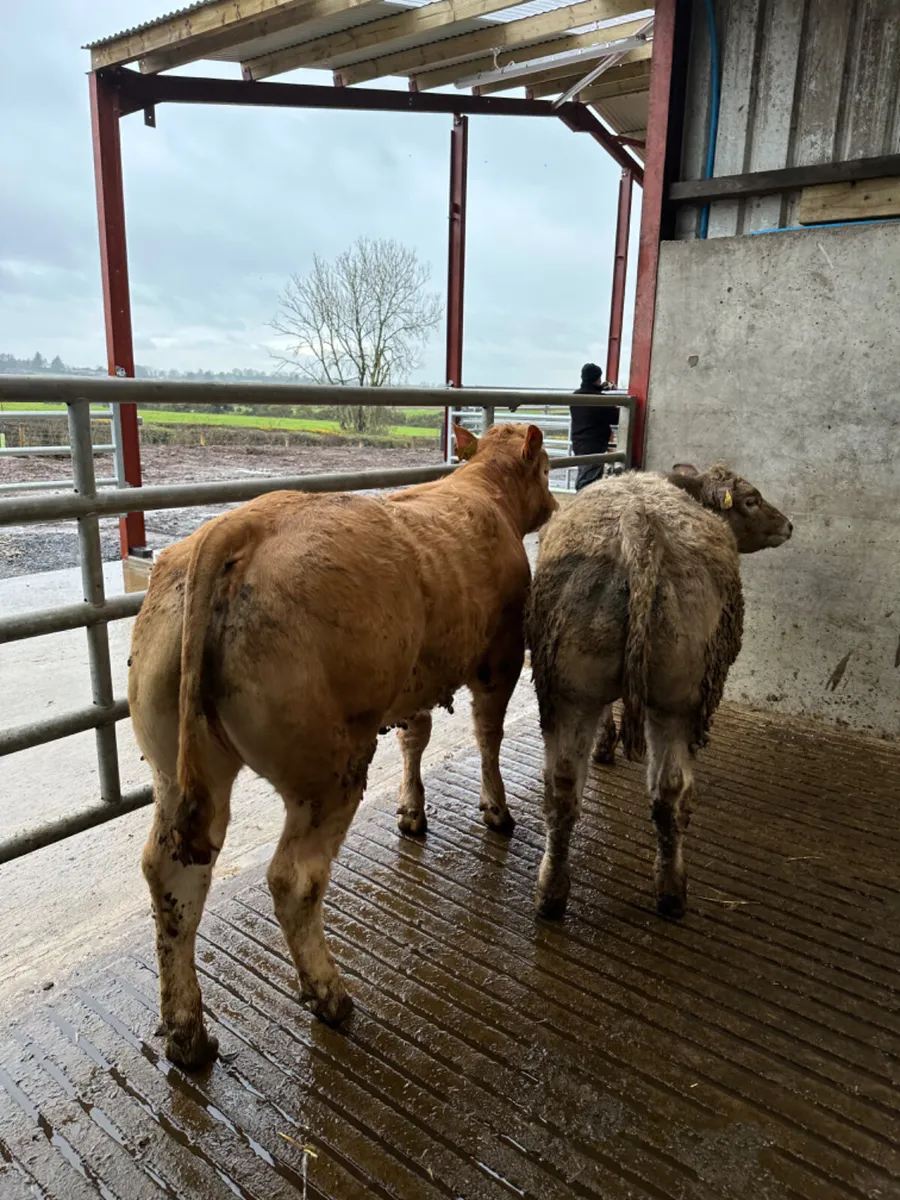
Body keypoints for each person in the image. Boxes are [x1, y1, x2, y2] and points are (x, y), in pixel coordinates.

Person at [570, 362, 619, 491]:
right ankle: (582, 500)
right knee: (589, 482)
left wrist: (601, 389)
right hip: (594, 446)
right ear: (598, 379)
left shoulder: (575, 396)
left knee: (584, 475)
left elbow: (589, 392)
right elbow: (616, 417)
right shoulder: (600, 400)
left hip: (579, 444)